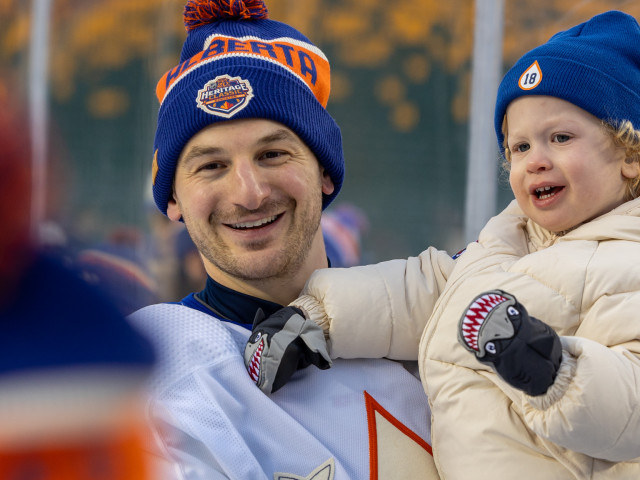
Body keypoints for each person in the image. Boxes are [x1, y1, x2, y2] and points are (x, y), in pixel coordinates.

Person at [261, 10, 640, 479]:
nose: (536, 161)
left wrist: (553, 370)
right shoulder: (507, 240)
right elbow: (426, 289)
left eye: (560, 138)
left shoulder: (629, 262)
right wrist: (316, 318)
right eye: (519, 147)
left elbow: (632, 405)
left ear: (629, 155)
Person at [128, 1, 437, 479]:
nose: (249, 194)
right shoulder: (154, 371)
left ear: (325, 174)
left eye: (273, 154)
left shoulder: (428, 329)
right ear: (173, 200)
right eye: (211, 165)